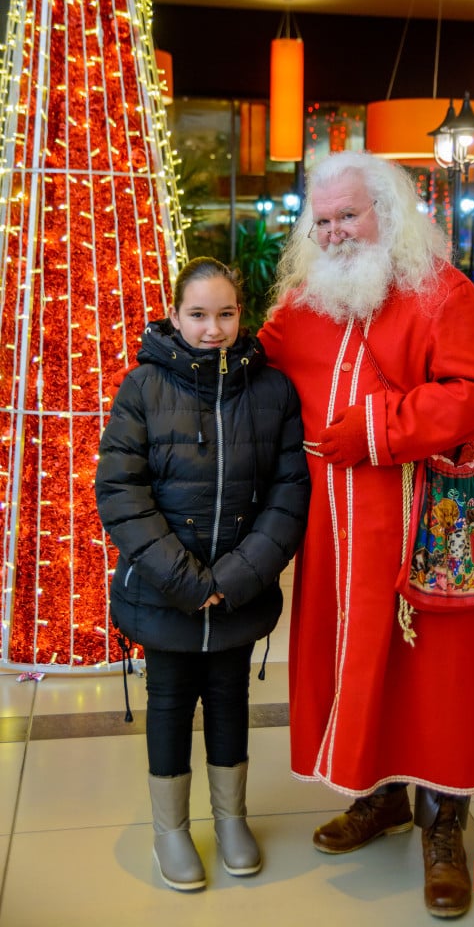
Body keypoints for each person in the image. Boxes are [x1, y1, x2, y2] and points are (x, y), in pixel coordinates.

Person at [258, 151, 474, 918]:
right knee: (357, 664)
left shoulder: (442, 291)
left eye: (348, 217)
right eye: (322, 220)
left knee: (435, 676)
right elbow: (255, 368)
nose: (334, 233)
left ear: (386, 216)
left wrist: (374, 427)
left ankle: (445, 826)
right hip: (335, 530)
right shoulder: (302, 302)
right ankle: (383, 797)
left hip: (422, 520)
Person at [95, 257, 309, 892]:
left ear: (241, 315)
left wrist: (236, 576)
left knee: (229, 698)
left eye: (225, 314)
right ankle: (171, 828)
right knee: (169, 703)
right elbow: (121, 493)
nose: (212, 328)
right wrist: (189, 581)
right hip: (167, 593)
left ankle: (231, 817)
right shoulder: (143, 387)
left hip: (238, 589)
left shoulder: (273, 391)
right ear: (175, 315)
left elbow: (289, 492)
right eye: (198, 315)